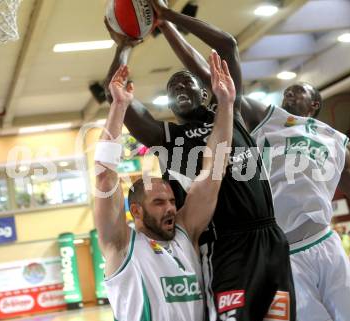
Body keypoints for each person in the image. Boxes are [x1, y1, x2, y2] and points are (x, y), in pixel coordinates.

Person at [100, 3, 295, 320]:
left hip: (270, 239)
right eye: (172, 85)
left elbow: (227, 46)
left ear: (205, 92)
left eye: (186, 81)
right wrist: (124, 46)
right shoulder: (166, 136)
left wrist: (167, 19)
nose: (179, 85)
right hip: (221, 245)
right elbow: (115, 94)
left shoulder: (230, 113)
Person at [95, 51, 235, 321]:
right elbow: (104, 176)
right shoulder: (121, 245)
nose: (170, 208)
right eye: (159, 203)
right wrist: (118, 107)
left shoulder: (185, 233)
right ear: (135, 211)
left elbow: (213, 169)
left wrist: (226, 104)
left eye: (171, 201)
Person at [247, 82, 350, 321]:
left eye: (297, 89)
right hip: (284, 252)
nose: (288, 92)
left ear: (314, 104)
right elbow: (226, 84)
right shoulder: (265, 122)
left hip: (324, 242)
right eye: (286, 90)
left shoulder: (334, 142)